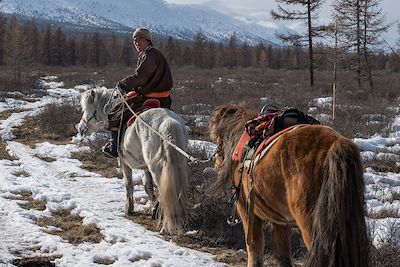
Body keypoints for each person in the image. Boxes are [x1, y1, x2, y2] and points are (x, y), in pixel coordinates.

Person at [102, 27, 173, 157]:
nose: (136, 44)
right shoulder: (152, 53)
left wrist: (122, 84)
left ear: (147, 40)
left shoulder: (149, 55)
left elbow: (140, 77)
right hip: (164, 100)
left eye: (139, 40)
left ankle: (113, 147)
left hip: (148, 97)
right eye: (134, 41)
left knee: (116, 112)